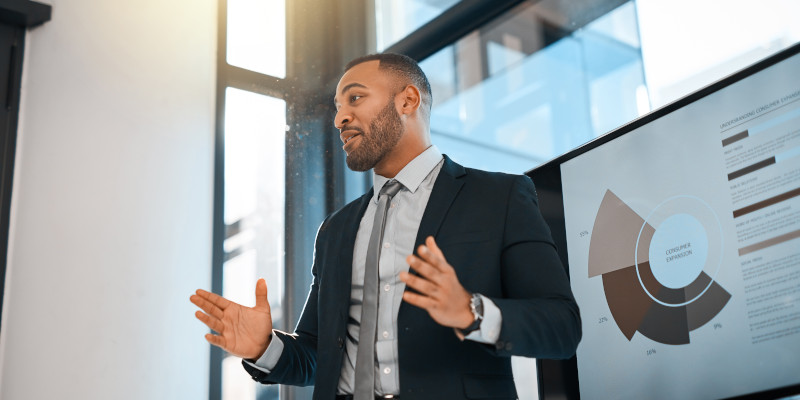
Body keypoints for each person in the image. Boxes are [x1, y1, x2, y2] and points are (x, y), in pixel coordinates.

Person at [190, 53, 581, 400]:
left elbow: (562, 328)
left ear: (407, 100)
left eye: (355, 98)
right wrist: (264, 346)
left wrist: (470, 310)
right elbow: (315, 355)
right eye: (337, 106)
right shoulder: (335, 230)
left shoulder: (500, 196)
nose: (340, 118)